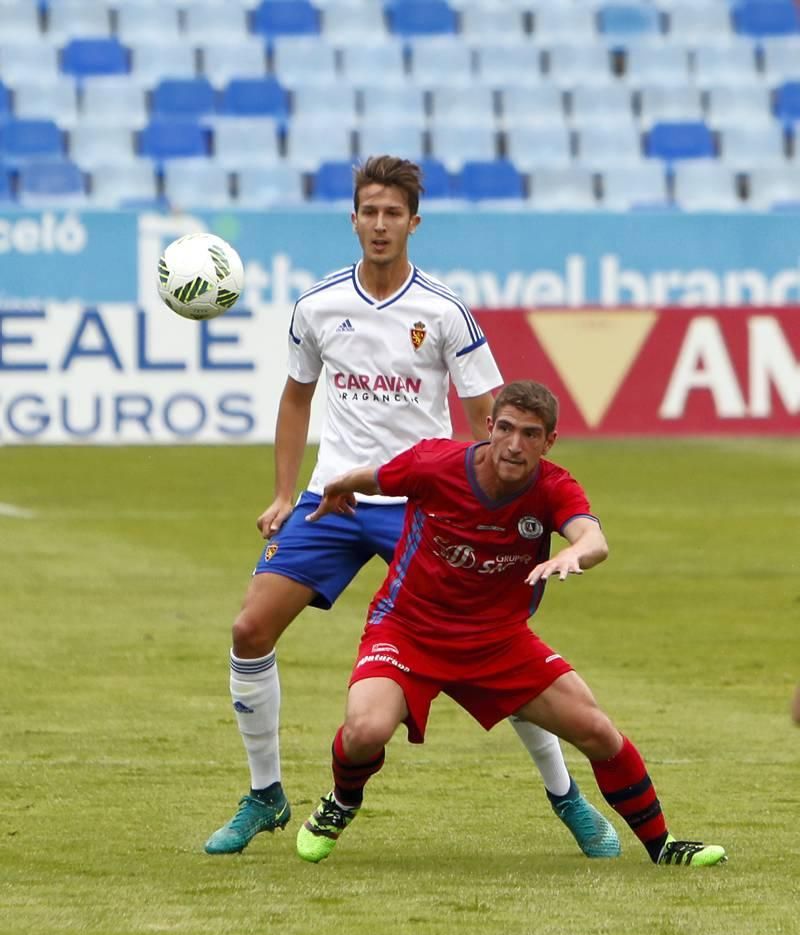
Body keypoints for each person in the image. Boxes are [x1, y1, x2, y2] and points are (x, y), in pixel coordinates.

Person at [205, 156, 619, 859]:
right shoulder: (318, 305)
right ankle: (265, 794)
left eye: (393, 213)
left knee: (491, 646)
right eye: (368, 210)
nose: (379, 223)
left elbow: (492, 417)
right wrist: (283, 492)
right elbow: (296, 395)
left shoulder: (444, 312)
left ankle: (565, 795)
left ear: (413, 223)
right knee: (250, 627)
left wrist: (493, 507)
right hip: (335, 495)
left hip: (420, 499)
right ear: (354, 218)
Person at [295, 380, 727, 868]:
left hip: (497, 641)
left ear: (549, 442)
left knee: (597, 730)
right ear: (489, 427)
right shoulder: (436, 463)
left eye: (530, 433)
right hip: (408, 629)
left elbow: (594, 539)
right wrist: (338, 485)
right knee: (366, 730)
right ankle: (343, 801)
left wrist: (574, 553)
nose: (515, 444)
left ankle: (662, 847)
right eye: (505, 429)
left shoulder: (553, 486)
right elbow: (378, 476)